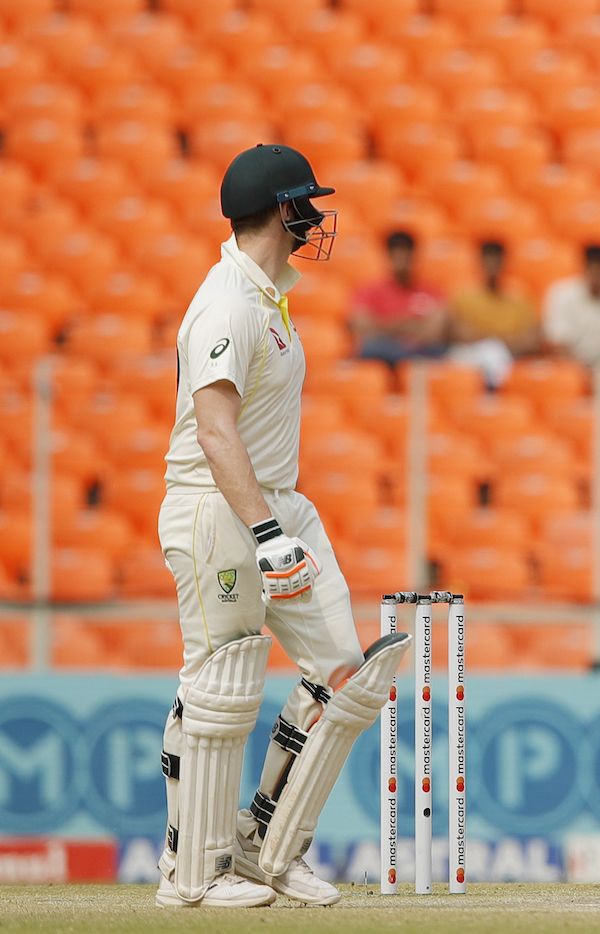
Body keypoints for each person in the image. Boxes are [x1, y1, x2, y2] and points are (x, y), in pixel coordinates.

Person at [156, 143, 410, 908]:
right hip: (219, 505)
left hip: (276, 502)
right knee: (224, 680)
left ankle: (270, 848)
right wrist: (267, 535)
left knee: (347, 676)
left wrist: (279, 522)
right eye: (307, 204)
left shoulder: (269, 296)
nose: (315, 217)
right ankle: (193, 875)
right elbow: (213, 430)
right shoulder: (227, 301)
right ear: (279, 210)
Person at [348, 229, 450, 365]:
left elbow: (434, 332)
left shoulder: (431, 291)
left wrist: (385, 325)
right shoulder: (369, 291)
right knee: (370, 348)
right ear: (388, 255)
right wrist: (408, 325)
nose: (401, 259)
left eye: (406, 253)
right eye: (396, 253)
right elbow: (362, 328)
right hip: (384, 353)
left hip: (421, 352)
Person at [446, 240, 540, 387]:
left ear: (504, 263)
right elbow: (460, 334)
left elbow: (530, 340)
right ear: (480, 262)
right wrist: (501, 339)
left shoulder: (519, 297)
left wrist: (492, 340)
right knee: (488, 353)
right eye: (488, 259)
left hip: (510, 357)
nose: (492, 265)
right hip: (471, 355)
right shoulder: (463, 295)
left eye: (496, 260)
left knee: (495, 353)